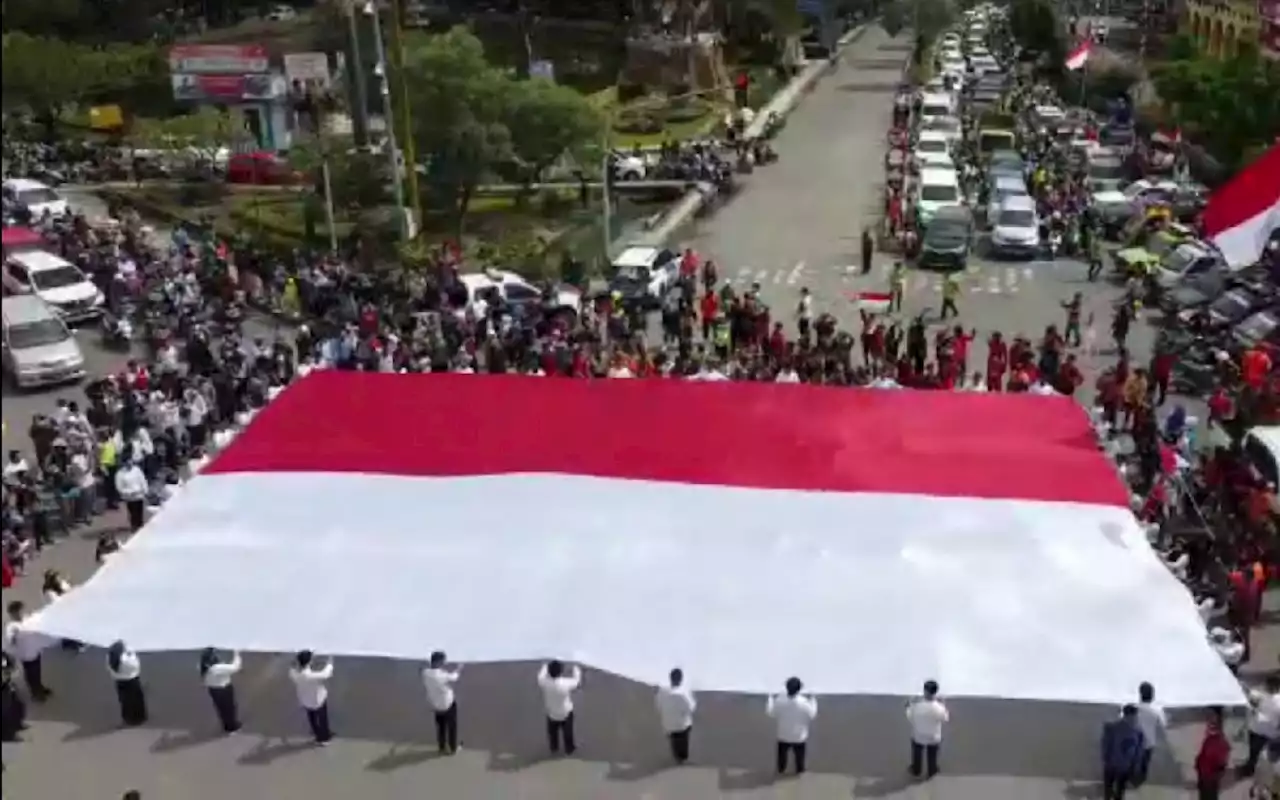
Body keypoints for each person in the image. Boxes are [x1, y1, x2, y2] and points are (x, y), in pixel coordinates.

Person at [767, 676, 817, 776]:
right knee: (799, 759)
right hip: (799, 737)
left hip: (783, 735)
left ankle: (781, 770)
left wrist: (770, 699)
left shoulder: (780, 701)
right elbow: (812, 714)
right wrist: (813, 700)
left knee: (782, 757)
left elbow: (771, 712)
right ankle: (799, 771)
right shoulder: (804, 703)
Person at [4, 601, 50, 702]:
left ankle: (40, 687)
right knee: (31, 674)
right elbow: (10, 640)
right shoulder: (12, 627)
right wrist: (14, 636)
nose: (21, 613)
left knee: (37, 672)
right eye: (18, 612)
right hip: (26, 656)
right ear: (12, 614)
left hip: (35, 651)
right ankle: (35, 693)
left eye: (21, 611)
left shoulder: (26, 619)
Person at [1100, 704, 1146, 799]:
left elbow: (1138, 751)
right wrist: (1105, 758)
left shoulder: (1138, 731)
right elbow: (1106, 744)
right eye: (1134, 716)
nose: (1135, 718)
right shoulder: (1113, 728)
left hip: (1124, 766)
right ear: (1127, 715)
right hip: (1113, 765)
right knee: (1109, 790)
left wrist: (1136, 765)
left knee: (1119, 791)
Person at [289, 650, 334, 744]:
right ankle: (324, 738)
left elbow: (292, 667)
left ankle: (317, 733)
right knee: (322, 719)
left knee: (312, 718)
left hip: (305, 700)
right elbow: (326, 674)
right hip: (318, 700)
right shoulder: (310, 676)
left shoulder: (294, 674)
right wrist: (330, 662)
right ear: (309, 662)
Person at [537, 659, 581, 755]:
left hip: (552, 713)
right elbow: (576, 681)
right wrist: (576, 669)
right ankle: (569, 749)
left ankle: (554, 748)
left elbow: (540, 675)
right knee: (568, 733)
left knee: (553, 733)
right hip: (565, 712)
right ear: (561, 671)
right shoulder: (565, 683)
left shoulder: (544, 683)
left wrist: (545, 666)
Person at [906, 679, 948, 779]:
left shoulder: (916, 706)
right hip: (933, 737)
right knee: (932, 755)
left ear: (925, 691)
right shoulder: (939, 708)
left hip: (919, 735)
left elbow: (910, 716)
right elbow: (945, 719)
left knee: (917, 752)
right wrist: (943, 705)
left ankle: (916, 770)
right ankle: (932, 771)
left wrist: (908, 706)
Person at [422, 650, 461, 754]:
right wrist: (458, 669)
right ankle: (453, 748)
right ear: (438, 662)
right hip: (448, 704)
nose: (444, 663)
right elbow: (454, 677)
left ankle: (442, 746)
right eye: (443, 661)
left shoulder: (425, 673)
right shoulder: (441, 675)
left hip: (435, 705)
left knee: (441, 727)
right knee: (452, 726)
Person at [655, 667, 696, 764]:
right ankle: (682, 758)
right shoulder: (682, 694)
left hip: (668, 726)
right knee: (686, 725)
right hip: (680, 727)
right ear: (681, 679)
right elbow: (689, 709)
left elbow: (658, 706)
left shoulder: (662, 692)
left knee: (674, 734)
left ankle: (677, 756)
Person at [1240, 676, 1280, 776]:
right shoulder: (1268, 697)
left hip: (1259, 729)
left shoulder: (1272, 700)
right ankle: (1251, 767)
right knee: (1258, 752)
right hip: (1269, 732)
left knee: (1255, 751)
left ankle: (1250, 769)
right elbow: (1253, 694)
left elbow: (1252, 694)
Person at [199, 648, 242, 733]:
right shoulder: (217, 668)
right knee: (230, 708)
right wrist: (237, 654)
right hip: (224, 689)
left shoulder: (204, 667)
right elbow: (235, 667)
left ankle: (226, 725)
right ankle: (232, 727)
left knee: (221, 709)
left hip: (213, 690)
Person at [1133, 681, 1167, 787]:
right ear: (1152, 696)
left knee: (1133, 760)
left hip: (1134, 741)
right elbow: (1163, 724)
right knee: (1144, 763)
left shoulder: (1134, 709)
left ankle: (1131, 777)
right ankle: (1139, 781)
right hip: (1148, 743)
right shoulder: (1155, 711)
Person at [107, 640, 148, 727]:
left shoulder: (110, 659)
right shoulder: (127, 659)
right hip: (132, 679)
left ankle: (128, 719)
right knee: (137, 699)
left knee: (125, 701)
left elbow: (110, 669)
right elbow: (135, 665)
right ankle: (140, 717)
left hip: (120, 681)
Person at [1194, 707, 1230, 800]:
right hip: (1206, 774)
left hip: (1209, 775)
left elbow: (1220, 761)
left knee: (1209, 794)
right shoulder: (1212, 740)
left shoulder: (1217, 742)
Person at [113, 457, 148, 532]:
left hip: (139, 494)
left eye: (131, 461)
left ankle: (140, 525)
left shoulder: (137, 470)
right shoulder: (120, 473)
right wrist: (128, 492)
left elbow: (142, 479)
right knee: (133, 512)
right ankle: (134, 525)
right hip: (130, 496)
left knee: (139, 511)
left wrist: (145, 490)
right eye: (128, 462)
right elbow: (119, 487)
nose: (130, 463)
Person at [1, 653, 27, 742]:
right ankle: (7, 736)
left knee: (18, 705)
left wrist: (9, 668)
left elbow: (8, 662)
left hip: (7, 686)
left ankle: (17, 724)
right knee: (5, 713)